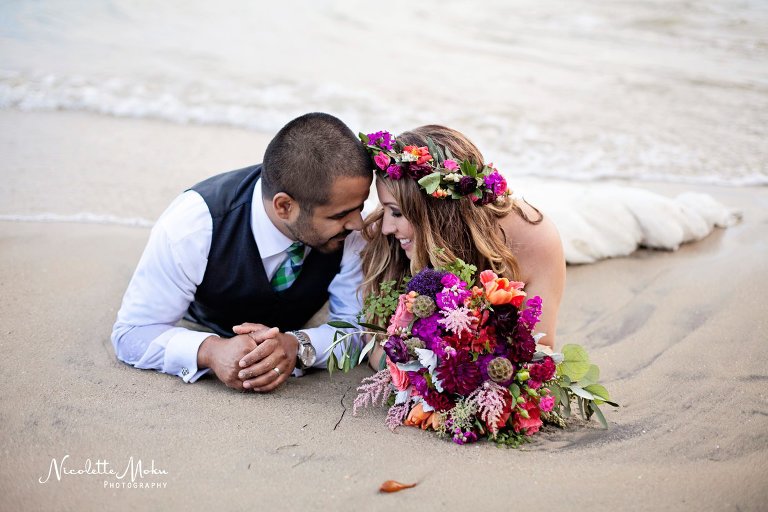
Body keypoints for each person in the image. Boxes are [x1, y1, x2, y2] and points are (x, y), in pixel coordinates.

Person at [111, 113, 372, 392]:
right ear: (284, 206)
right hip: (202, 320)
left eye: (361, 206)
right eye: (340, 215)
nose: (358, 223)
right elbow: (132, 333)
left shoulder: (349, 222)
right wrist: (209, 350)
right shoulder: (192, 227)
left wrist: (299, 345)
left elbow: (358, 329)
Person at [359, 125, 566, 368]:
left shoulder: (533, 237)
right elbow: (376, 346)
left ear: (438, 213)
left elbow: (538, 349)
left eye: (396, 212)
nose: (386, 227)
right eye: (385, 208)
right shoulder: (385, 241)